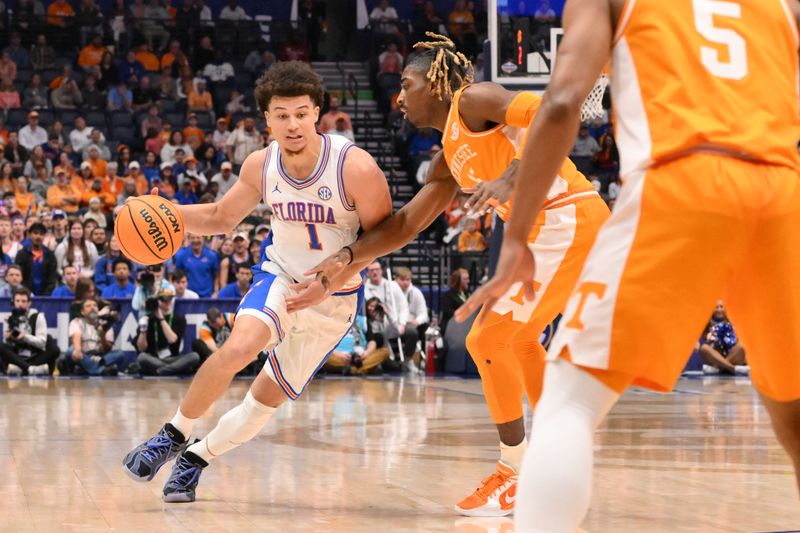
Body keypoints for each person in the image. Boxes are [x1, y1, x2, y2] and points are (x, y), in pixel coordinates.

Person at [455, 0, 800, 531]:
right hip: (782, 191)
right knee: (793, 412)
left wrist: (517, 237)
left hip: (683, 179)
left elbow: (563, 100)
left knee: (567, 403)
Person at [292, 33, 608, 517]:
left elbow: (551, 114)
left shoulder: (475, 100)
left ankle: (516, 471)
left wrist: (510, 176)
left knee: (487, 340)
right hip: (555, 231)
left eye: (407, 82)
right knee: (518, 340)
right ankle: (557, 456)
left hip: (567, 217)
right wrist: (345, 259)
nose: (398, 96)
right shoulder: (448, 155)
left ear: (437, 83)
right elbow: (406, 224)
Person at [122, 61, 392, 504]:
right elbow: (220, 217)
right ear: (266, 119)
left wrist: (333, 276)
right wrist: (166, 211)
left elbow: (382, 239)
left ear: (317, 113)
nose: (293, 124)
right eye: (282, 115)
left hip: (334, 299)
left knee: (259, 407)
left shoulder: (354, 168)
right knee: (239, 346)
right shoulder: (260, 165)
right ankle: (173, 434)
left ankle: (196, 457)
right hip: (280, 277)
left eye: (302, 113)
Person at [134, 287, 200, 376]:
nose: (167, 303)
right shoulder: (148, 319)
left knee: (194, 356)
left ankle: (163, 371)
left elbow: (172, 340)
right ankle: (171, 370)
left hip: (174, 358)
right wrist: (143, 330)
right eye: (164, 300)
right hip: (155, 358)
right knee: (141, 358)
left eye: (169, 299)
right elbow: (141, 348)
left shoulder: (179, 319)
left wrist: (161, 318)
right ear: (157, 301)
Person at [364, 261, 418, 365]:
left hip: (394, 323)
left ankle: (407, 360)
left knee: (412, 332)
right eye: (372, 270)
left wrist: (402, 323)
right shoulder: (365, 289)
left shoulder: (392, 285)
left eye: (377, 269)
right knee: (377, 337)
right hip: (376, 326)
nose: (375, 272)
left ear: (381, 271)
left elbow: (403, 306)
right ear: (367, 273)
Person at [0, 287, 57, 376]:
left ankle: (21, 369)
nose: (20, 304)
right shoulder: (9, 318)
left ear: (29, 303)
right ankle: (30, 369)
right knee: (2, 346)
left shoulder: (38, 317)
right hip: (17, 356)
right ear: (13, 302)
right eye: (17, 301)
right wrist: (8, 338)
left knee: (52, 345)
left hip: (35, 355)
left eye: (23, 301)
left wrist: (25, 337)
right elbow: (7, 347)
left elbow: (42, 342)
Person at [67, 298, 130, 376]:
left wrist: (102, 335)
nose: (92, 308)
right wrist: (78, 351)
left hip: (99, 357)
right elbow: (76, 341)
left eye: (95, 306)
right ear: (82, 312)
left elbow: (107, 349)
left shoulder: (104, 323)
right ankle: (101, 370)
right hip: (83, 355)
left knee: (120, 354)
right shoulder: (77, 322)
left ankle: (88, 368)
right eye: (88, 306)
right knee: (70, 351)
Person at [698, 301, 747, 375]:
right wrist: (710, 338)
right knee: (704, 348)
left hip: (732, 356)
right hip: (716, 357)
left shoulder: (734, 321)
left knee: (742, 345)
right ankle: (732, 368)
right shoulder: (707, 324)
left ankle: (719, 369)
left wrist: (735, 338)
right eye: (716, 307)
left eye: (721, 307)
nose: (719, 309)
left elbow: (739, 341)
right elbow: (707, 343)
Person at [15, 222, 58, 296]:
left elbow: (52, 278)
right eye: (35, 233)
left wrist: (46, 296)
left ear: (44, 236)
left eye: (41, 234)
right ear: (29, 235)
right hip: (25, 295)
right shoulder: (22, 254)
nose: (38, 236)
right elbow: (19, 276)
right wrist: (27, 294)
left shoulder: (50, 255)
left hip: (46, 297)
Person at [394, 266, 429, 347]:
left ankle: (416, 356)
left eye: (408, 280)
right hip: (395, 322)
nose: (405, 282)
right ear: (396, 279)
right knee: (411, 332)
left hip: (411, 323)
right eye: (402, 280)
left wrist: (417, 321)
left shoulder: (416, 292)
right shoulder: (390, 290)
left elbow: (423, 313)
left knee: (423, 328)